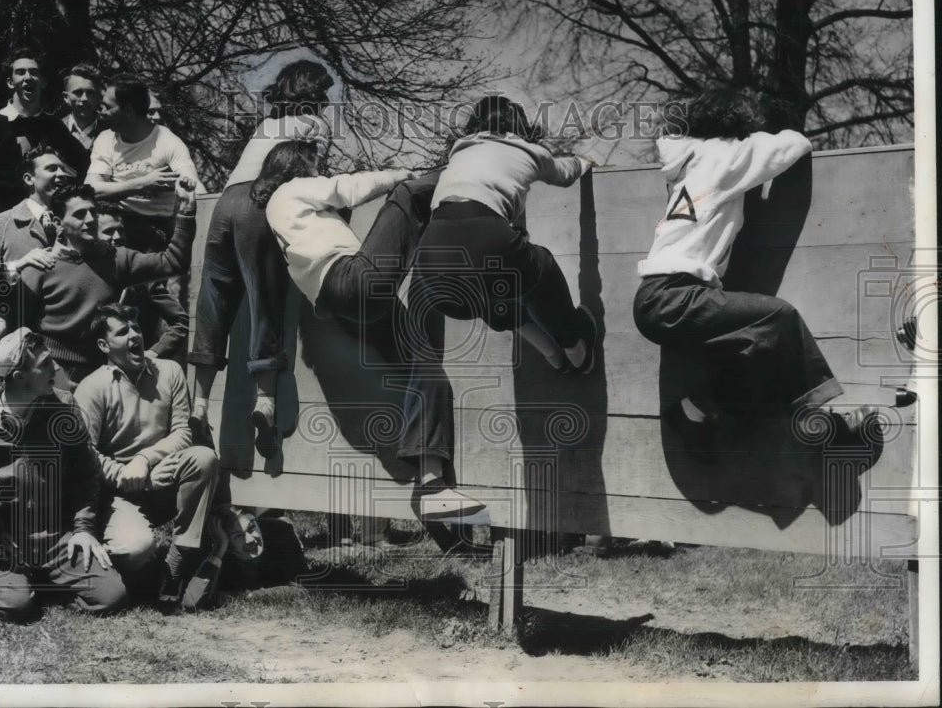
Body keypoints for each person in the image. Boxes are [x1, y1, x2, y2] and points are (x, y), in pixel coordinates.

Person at [631, 87, 881, 459]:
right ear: (736, 125)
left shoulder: (686, 160)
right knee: (779, 316)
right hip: (677, 294)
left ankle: (690, 414)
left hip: (659, 299)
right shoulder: (723, 155)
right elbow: (794, 144)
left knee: (757, 356)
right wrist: (767, 133)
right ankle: (824, 427)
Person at [260, 141, 481, 520]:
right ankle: (473, 173)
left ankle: (432, 487)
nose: (321, 171)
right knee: (407, 194)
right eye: (316, 165)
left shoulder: (286, 215)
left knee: (426, 370)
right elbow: (346, 188)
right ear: (296, 165)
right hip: (352, 279)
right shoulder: (290, 188)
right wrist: (398, 174)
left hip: (343, 304)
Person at [188, 59, 333, 452]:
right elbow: (312, 178)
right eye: (323, 94)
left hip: (225, 203)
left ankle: (198, 406)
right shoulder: (314, 125)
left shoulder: (266, 126)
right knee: (266, 303)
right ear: (312, 94)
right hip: (260, 202)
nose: (325, 102)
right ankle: (266, 405)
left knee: (213, 305)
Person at [412, 95, 598, 374]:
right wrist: (583, 161)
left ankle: (551, 355)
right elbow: (565, 173)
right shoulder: (529, 151)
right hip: (486, 237)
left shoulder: (460, 151)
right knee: (540, 270)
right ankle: (575, 348)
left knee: (491, 298)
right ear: (518, 123)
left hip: (431, 259)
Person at [74, 304, 220, 610]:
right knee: (135, 549)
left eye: (136, 328)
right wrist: (130, 476)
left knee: (203, 458)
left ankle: (178, 559)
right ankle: (134, 572)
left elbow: (183, 432)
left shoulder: (170, 371)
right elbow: (86, 455)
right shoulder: (92, 387)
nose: (134, 335)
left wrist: (145, 460)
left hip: (160, 475)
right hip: (119, 494)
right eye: (122, 331)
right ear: (104, 345)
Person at [0, 328, 128, 620]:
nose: (56, 368)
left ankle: (41, 582)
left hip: (54, 536)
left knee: (111, 596)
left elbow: (86, 474)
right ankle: (3, 585)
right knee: (14, 606)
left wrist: (84, 529)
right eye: (45, 364)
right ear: (20, 377)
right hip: (5, 540)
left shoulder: (65, 407)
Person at [17, 182, 196, 387]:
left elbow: (174, 262)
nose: (91, 220)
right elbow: (19, 330)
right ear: (58, 222)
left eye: (93, 212)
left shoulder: (115, 259)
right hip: (50, 378)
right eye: (80, 214)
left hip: (104, 378)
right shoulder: (39, 266)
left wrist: (187, 210)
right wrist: (52, 377)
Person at [85, 73, 206, 254]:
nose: (100, 111)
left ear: (129, 110)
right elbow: (90, 190)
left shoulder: (167, 141)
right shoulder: (105, 140)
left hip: (160, 228)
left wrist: (180, 186)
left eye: (107, 107)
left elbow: (195, 189)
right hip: (120, 225)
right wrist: (142, 184)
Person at [0, 47, 90, 217]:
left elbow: (84, 164)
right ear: (10, 82)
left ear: (42, 81)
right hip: (4, 218)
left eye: (34, 72)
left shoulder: (54, 125)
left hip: (51, 217)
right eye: (20, 72)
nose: (28, 77)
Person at [0, 146, 70, 332]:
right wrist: (19, 264)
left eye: (63, 168)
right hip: (17, 336)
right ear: (29, 179)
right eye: (52, 168)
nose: (62, 174)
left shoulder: (75, 224)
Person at [97, 202, 189, 366]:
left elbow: (179, 320)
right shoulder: (80, 270)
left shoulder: (139, 274)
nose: (118, 237)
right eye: (109, 231)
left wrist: (155, 352)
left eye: (121, 230)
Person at [61, 63, 105, 151]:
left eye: (90, 93)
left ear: (99, 97)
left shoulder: (112, 132)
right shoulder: (54, 130)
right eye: (78, 92)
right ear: (66, 98)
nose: (84, 99)